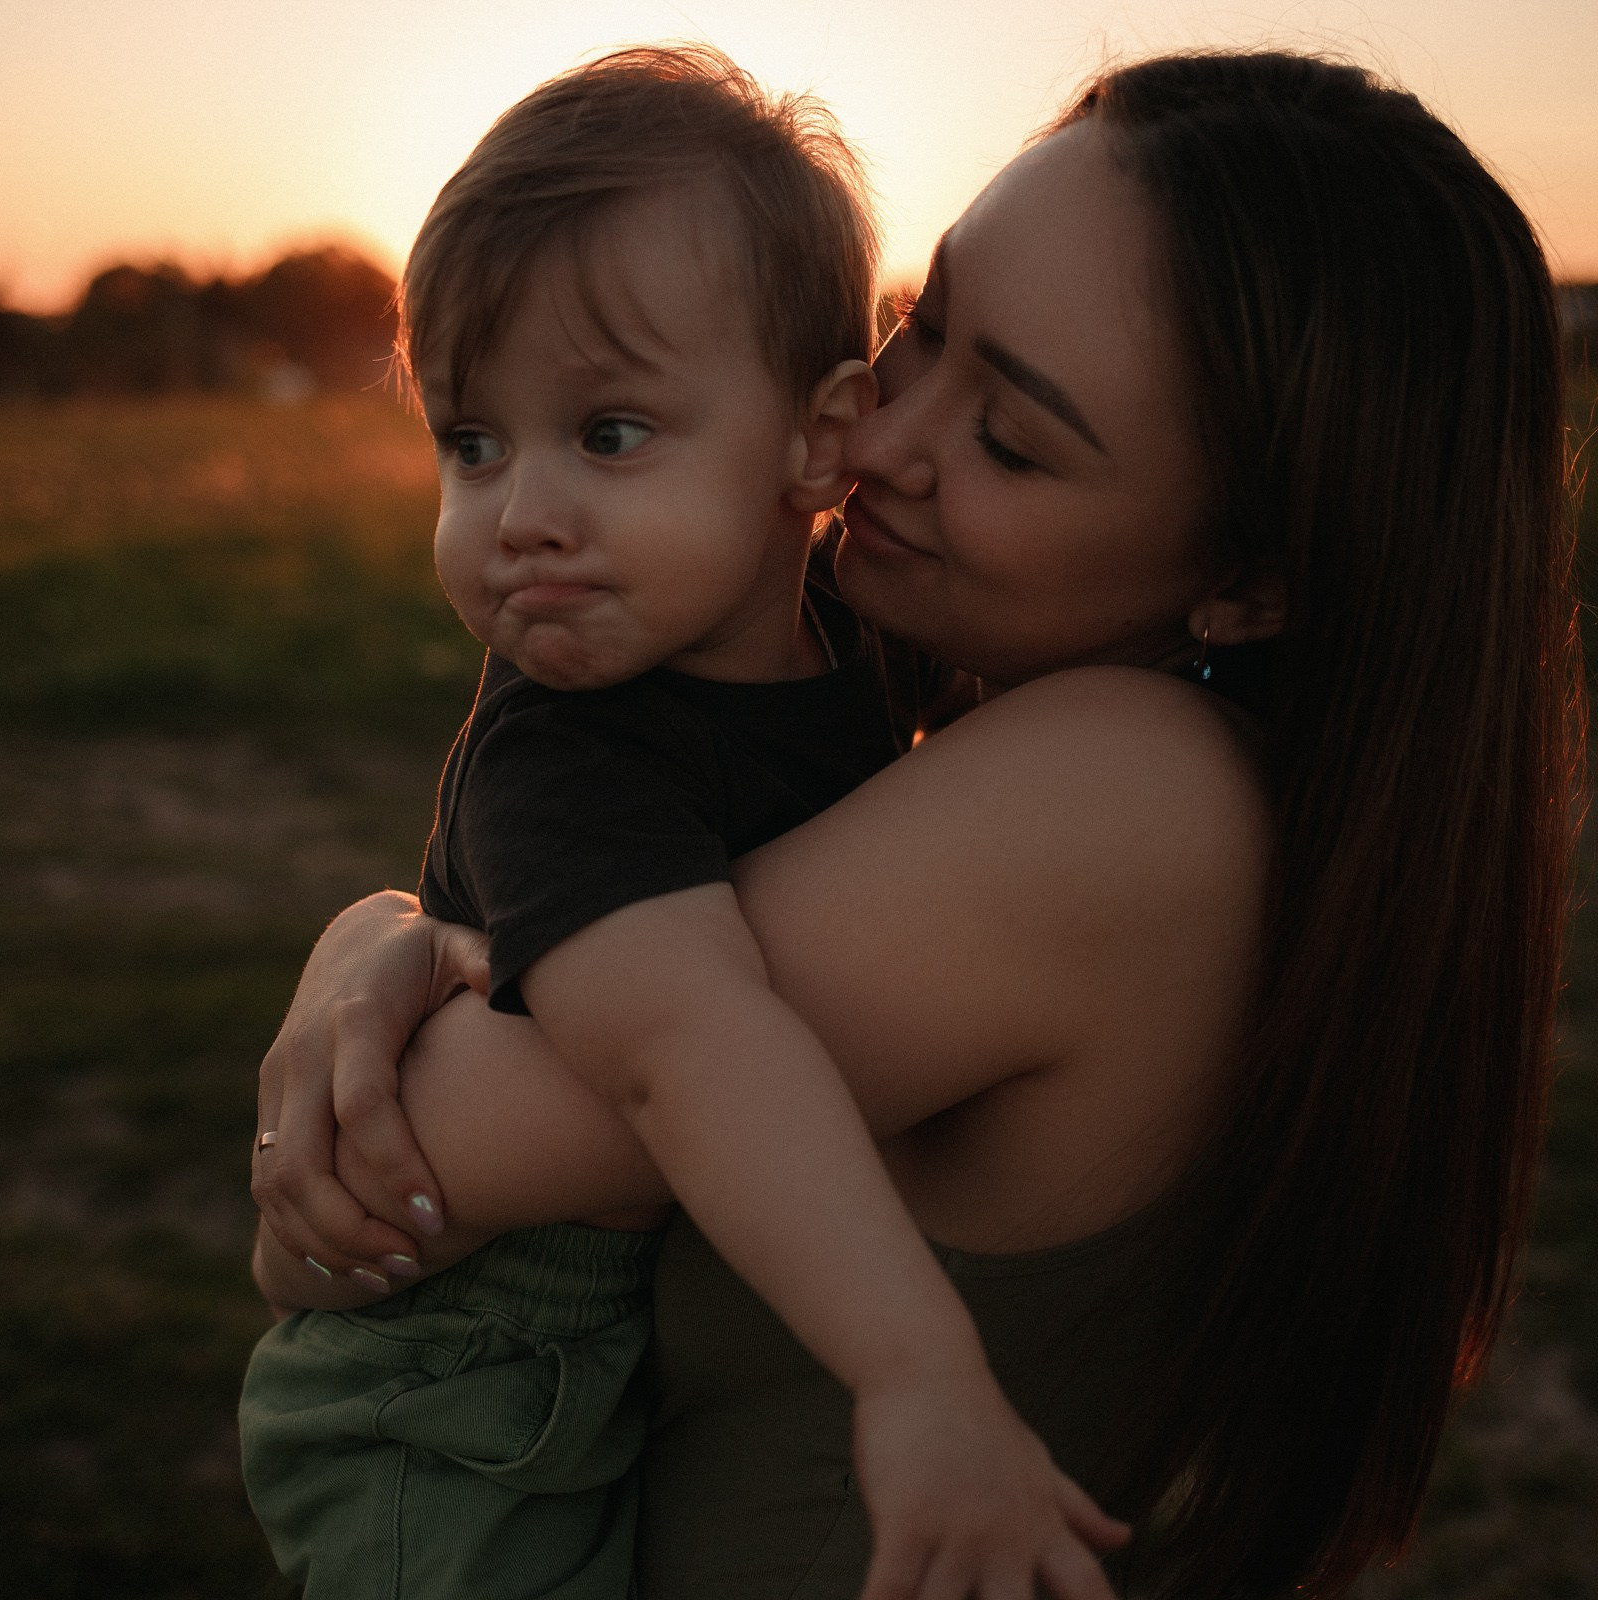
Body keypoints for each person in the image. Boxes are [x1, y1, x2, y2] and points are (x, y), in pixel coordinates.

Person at [251, 48, 1582, 1600]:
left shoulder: (1122, 796)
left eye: (1009, 437)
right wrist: (395, 939)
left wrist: (364, 962)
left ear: (1248, 583)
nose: (873, 443)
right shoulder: (1016, 730)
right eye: (917, 329)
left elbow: (369, 1192)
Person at [240, 45, 1125, 1600]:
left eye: (610, 434)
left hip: (602, 1339)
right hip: (454, 1400)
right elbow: (684, 1049)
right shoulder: (569, 752)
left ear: (817, 440)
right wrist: (918, 1372)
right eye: (471, 442)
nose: (522, 516)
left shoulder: (856, 642)